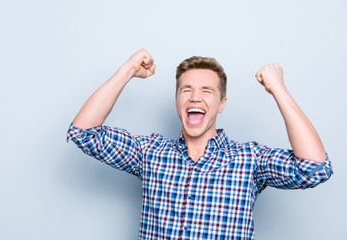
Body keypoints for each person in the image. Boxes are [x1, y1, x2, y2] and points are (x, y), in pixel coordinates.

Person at [67, 49, 332, 239]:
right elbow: (84, 133)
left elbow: (314, 169)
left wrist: (278, 89)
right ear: (177, 101)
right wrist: (127, 70)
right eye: (186, 90)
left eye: (207, 91)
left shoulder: (249, 159)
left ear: (221, 104)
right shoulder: (150, 152)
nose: (195, 97)